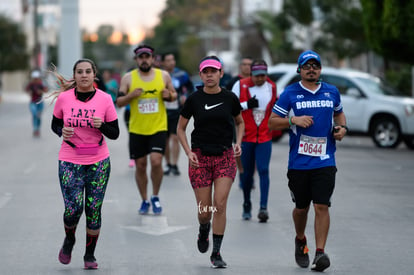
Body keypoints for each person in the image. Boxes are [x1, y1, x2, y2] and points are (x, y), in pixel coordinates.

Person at [268, 50, 347, 272]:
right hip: (299, 163)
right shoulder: (290, 93)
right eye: (306, 66)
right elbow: (272, 123)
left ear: (320, 69)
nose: (311, 69)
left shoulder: (332, 92)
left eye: (315, 65)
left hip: (325, 159)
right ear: (299, 70)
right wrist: (294, 119)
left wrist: (343, 128)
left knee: (322, 205)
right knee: (301, 208)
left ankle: (320, 253)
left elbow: (339, 115)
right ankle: (300, 238)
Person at [50, 59, 120, 269]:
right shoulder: (64, 99)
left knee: (93, 209)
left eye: (88, 71)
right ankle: (69, 239)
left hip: (98, 163)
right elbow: (55, 125)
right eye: (79, 72)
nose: (84, 75)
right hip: (70, 161)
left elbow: (115, 133)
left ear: (94, 74)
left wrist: (103, 126)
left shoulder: (105, 99)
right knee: (72, 210)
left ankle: (89, 255)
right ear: (75, 75)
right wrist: (61, 131)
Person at [176, 55, 244, 268]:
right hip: (200, 158)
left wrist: (238, 142)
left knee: (220, 204)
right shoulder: (194, 99)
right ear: (202, 75)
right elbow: (180, 128)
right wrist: (188, 152)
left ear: (221, 74)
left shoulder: (230, 98)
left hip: (224, 156)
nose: (209, 75)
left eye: (213, 71)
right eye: (205, 72)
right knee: (205, 210)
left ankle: (216, 253)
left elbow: (239, 122)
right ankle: (204, 228)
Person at [116, 44, 177, 215]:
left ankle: (155, 196)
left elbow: (174, 94)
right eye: (141, 57)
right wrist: (130, 96)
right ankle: (144, 199)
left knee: (157, 162)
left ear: (152, 59)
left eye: (147, 57)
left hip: (158, 127)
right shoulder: (128, 78)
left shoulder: (163, 75)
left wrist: (169, 96)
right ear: (136, 60)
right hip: (137, 129)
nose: (144, 60)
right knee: (141, 165)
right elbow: (119, 102)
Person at [231, 60, 277, 222]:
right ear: (251, 74)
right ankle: (246, 203)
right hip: (246, 137)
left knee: (264, 170)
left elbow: (275, 108)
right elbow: (230, 106)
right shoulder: (240, 85)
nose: (260, 79)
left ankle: (263, 207)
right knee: (247, 173)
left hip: (264, 136)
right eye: (257, 76)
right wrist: (246, 104)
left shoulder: (272, 86)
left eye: (263, 75)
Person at [161, 52, 193, 176]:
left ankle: (174, 164)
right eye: (168, 60)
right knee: (165, 139)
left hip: (176, 110)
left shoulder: (181, 74)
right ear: (163, 62)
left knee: (175, 137)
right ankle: (168, 163)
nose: (171, 62)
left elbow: (191, 88)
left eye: (172, 59)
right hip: (162, 111)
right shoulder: (159, 75)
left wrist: (185, 96)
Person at [25, 70, 48, 137]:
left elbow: (46, 90)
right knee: (34, 114)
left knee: (38, 116)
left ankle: (38, 129)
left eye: (37, 78)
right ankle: (35, 129)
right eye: (34, 78)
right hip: (33, 102)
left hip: (40, 102)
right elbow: (26, 89)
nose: (35, 79)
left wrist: (41, 91)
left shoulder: (41, 83)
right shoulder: (31, 84)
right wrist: (29, 92)